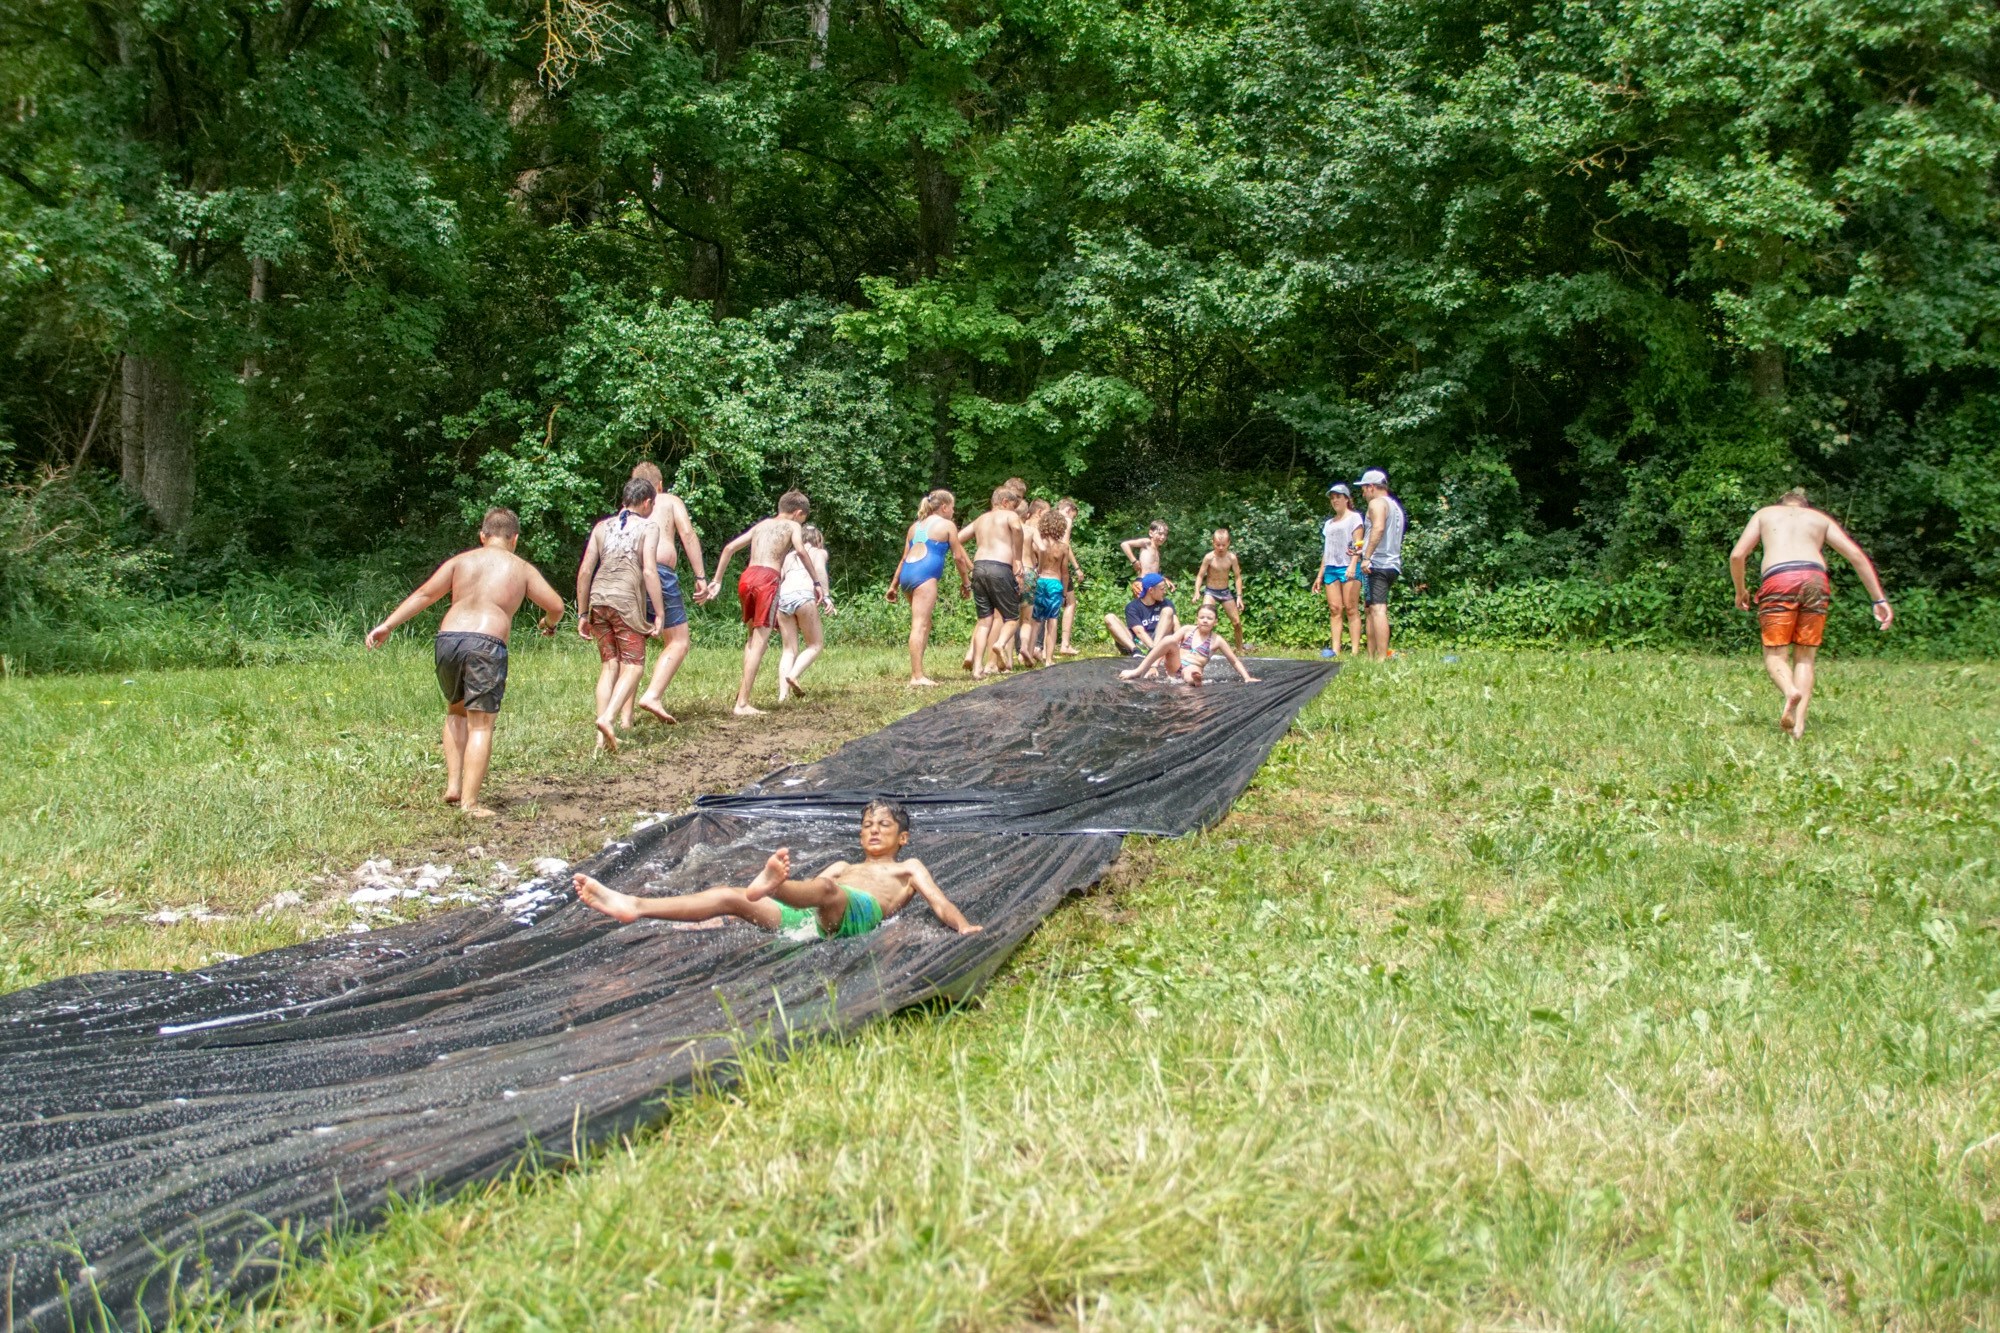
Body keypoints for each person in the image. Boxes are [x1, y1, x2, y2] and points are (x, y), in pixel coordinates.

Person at [365, 507, 565, 819]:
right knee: (481, 723)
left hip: (449, 639)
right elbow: (556, 605)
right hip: (485, 643)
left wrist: (388, 625)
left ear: (482, 535)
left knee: (456, 710)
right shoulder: (521, 568)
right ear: (514, 538)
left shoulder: (460, 561)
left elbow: (425, 594)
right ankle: (470, 804)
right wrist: (548, 623)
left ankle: (454, 786)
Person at [573, 799, 981, 939]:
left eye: (884, 826)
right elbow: (810, 897)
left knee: (828, 890)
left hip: (859, 912)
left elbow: (939, 902)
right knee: (729, 895)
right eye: (867, 826)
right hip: (812, 915)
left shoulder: (908, 868)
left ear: (903, 838)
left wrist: (962, 926)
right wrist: (724, 918)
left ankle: (772, 886)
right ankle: (635, 905)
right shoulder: (843, 864)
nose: (873, 831)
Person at [1729, 486, 1892, 737]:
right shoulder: (1819, 518)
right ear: (1805, 506)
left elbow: (1738, 555)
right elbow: (1856, 556)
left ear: (1781, 504)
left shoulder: (1765, 514)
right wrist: (1878, 599)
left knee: (1775, 655)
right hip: (1816, 578)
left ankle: (1790, 690)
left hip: (1779, 578)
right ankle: (1798, 726)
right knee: (1805, 657)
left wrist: (1740, 591)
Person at [707, 490, 815, 716]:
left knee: (752, 640)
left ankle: (742, 694)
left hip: (748, 577)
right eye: (803, 519)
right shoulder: (792, 526)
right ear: (798, 513)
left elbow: (729, 548)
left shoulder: (762, 525)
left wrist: (717, 580)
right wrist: (816, 581)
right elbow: (801, 551)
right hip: (767, 579)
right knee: (760, 642)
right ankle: (742, 704)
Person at [577, 478, 666, 751]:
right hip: (624, 601)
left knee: (609, 665)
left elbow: (585, 570)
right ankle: (608, 718)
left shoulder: (601, 527)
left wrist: (582, 613)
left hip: (598, 599)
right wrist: (659, 612)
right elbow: (649, 570)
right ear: (647, 502)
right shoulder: (649, 527)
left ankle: (601, 739)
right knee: (634, 665)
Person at [627, 461, 711, 728]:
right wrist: (700, 577)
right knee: (678, 641)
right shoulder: (669, 500)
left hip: (628, 575)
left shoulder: (626, 509)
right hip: (659, 573)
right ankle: (652, 695)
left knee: (632, 647)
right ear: (660, 485)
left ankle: (625, 718)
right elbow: (687, 534)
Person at [886, 489, 971, 687]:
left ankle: (918, 671)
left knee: (925, 623)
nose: (954, 512)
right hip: (925, 575)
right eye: (953, 508)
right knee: (920, 624)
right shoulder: (947, 525)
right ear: (944, 507)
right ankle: (917, 676)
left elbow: (904, 558)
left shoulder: (914, 527)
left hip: (908, 575)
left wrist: (893, 586)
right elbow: (959, 557)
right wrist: (966, 582)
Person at [957, 488, 1026, 680]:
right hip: (1000, 567)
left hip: (979, 567)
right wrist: (1018, 559)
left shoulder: (980, 519)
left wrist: (970, 566)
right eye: (1013, 506)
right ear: (1005, 502)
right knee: (1012, 617)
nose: (1014, 510)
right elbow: (1018, 529)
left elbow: (957, 539)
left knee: (984, 621)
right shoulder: (1009, 515)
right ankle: (1000, 643)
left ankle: (977, 668)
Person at [1120, 603, 1260, 685]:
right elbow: (1164, 648)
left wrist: (1246, 677)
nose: (1205, 620)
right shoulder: (1187, 629)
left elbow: (1234, 660)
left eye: (1209, 618)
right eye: (1202, 617)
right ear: (1197, 619)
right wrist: (1154, 666)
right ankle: (1138, 671)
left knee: (1190, 672)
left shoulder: (1217, 640)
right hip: (1175, 664)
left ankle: (1195, 681)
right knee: (1169, 640)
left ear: (1215, 622)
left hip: (1193, 668)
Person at [775, 523, 833, 703]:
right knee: (815, 644)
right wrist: (826, 596)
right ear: (818, 539)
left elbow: (779, 578)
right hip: (804, 597)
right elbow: (820, 571)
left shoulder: (789, 556)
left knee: (788, 650)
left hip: (783, 598)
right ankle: (793, 675)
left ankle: (783, 696)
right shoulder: (819, 552)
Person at [1356, 469, 1405, 660]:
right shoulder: (1395, 507)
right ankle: (1370, 655)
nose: (1363, 494)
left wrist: (1367, 557)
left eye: (1363, 489)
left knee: (1378, 609)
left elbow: (1378, 528)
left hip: (1378, 564)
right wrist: (1361, 551)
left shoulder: (1376, 503)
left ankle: (1381, 658)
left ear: (1371, 487)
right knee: (1370, 608)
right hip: (1391, 563)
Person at [1316, 483, 1364, 658]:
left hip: (1349, 566)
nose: (1335, 500)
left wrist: (1352, 565)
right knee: (1335, 609)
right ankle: (1335, 649)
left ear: (1346, 499)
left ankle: (1355, 651)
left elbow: (1358, 544)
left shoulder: (1355, 518)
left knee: (1351, 608)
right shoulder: (1329, 523)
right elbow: (1327, 551)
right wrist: (1319, 575)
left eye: (1338, 497)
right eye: (1332, 498)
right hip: (1331, 568)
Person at [1024, 508, 1072, 667]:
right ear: (1061, 527)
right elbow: (1065, 573)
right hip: (1054, 584)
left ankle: (1029, 654)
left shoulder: (1037, 544)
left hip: (1039, 581)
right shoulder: (1063, 548)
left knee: (1035, 621)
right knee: (1052, 621)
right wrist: (1064, 594)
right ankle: (1049, 659)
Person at [1195, 527, 1245, 651]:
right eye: (1218, 545)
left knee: (1237, 622)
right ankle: (1199, 647)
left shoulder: (1231, 558)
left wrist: (1239, 596)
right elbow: (1200, 575)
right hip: (1210, 592)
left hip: (1225, 592)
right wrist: (1196, 591)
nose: (1221, 548)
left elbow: (1237, 577)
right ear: (1213, 543)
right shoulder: (1209, 557)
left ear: (1228, 543)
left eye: (1223, 545)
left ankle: (1240, 649)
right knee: (1205, 620)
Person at [1104, 573, 1176, 656]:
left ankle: (1155, 650)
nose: (1165, 592)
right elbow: (1139, 632)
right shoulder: (1132, 607)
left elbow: (1175, 624)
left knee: (1168, 610)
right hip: (1139, 642)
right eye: (1162, 589)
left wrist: (1182, 644)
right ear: (1151, 590)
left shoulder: (1166, 603)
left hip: (1158, 641)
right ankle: (1135, 651)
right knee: (1109, 617)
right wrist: (1150, 647)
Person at [1055, 498, 1085, 656]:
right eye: (1073, 516)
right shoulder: (1066, 520)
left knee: (1047, 605)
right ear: (1068, 510)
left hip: (1045, 566)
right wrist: (1076, 568)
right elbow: (1065, 546)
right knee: (1070, 603)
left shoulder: (1047, 519)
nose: (1072, 519)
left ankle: (1042, 647)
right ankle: (1065, 644)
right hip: (1060, 566)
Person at [1122, 519, 1170, 597]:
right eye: (1160, 534)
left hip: (1153, 584)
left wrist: (1163, 578)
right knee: (1143, 604)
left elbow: (1153, 570)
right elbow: (1124, 544)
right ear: (1151, 533)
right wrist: (1134, 561)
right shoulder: (1147, 543)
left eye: (1165, 535)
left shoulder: (1157, 550)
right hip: (1143, 582)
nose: (1163, 537)